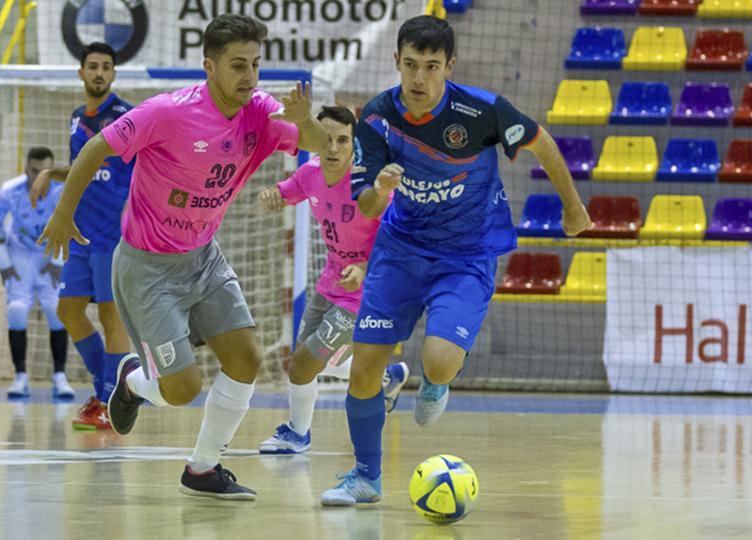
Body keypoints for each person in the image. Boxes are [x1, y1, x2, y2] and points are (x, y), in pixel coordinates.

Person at [38, 14, 329, 500]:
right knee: (182, 389)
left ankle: (202, 469)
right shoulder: (167, 112)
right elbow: (94, 148)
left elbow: (320, 145)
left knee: (246, 359)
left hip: (204, 258)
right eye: (238, 65)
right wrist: (64, 213)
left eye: (256, 65)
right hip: (147, 269)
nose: (250, 77)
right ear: (208, 66)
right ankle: (131, 381)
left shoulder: (262, 111)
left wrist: (304, 122)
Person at [320, 15, 591, 506]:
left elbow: (541, 142)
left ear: (450, 66)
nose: (419, 78)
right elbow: (365, 204)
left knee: (439, 363)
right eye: (409, 65)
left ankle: (435, 386)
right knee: (363, 370)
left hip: (466, 254)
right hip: (401, 250)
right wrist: (380, 191)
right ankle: (365, 477)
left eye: (430, 66)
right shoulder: (378, 117)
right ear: (395, 62)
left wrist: (573, 206)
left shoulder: (481, 110)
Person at [255, 106, 409, 455]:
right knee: (325, 363)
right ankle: (387, 378)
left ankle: (297, 433)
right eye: (326, 139)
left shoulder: (368, 187)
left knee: (303, 364)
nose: (334, 147)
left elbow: (397, 241)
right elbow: (288, 189)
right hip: (329, 284)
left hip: (364, 294)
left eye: (343, 140)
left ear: (355, 144)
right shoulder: (310, 173)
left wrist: (366, 269)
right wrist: (272, 197)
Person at [29, 42, 133, 431]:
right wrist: (49, 173)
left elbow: (145, 164)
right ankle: (109, 390)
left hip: (112, 234)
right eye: (93, 66)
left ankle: (111, 400)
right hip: (79, 232)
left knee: (110, 315)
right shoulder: (76, 118)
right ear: (81, 73)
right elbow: (81, 169)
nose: (99, 73)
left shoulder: (125, 116)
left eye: (106, 66)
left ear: (113, 74)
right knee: (68, 311)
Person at [0, 147, 73, 399]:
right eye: (34, 171)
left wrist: (57, 260)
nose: (39, 177)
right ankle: (20, 376)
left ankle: (60, 376)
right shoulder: (9, 192)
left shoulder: (61, 191)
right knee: (17, 310)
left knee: (57, 310)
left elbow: (70, 223)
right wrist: (4, 260)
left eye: (44, 171)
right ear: (26, 169)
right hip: (21, 253)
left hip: (49, 252)